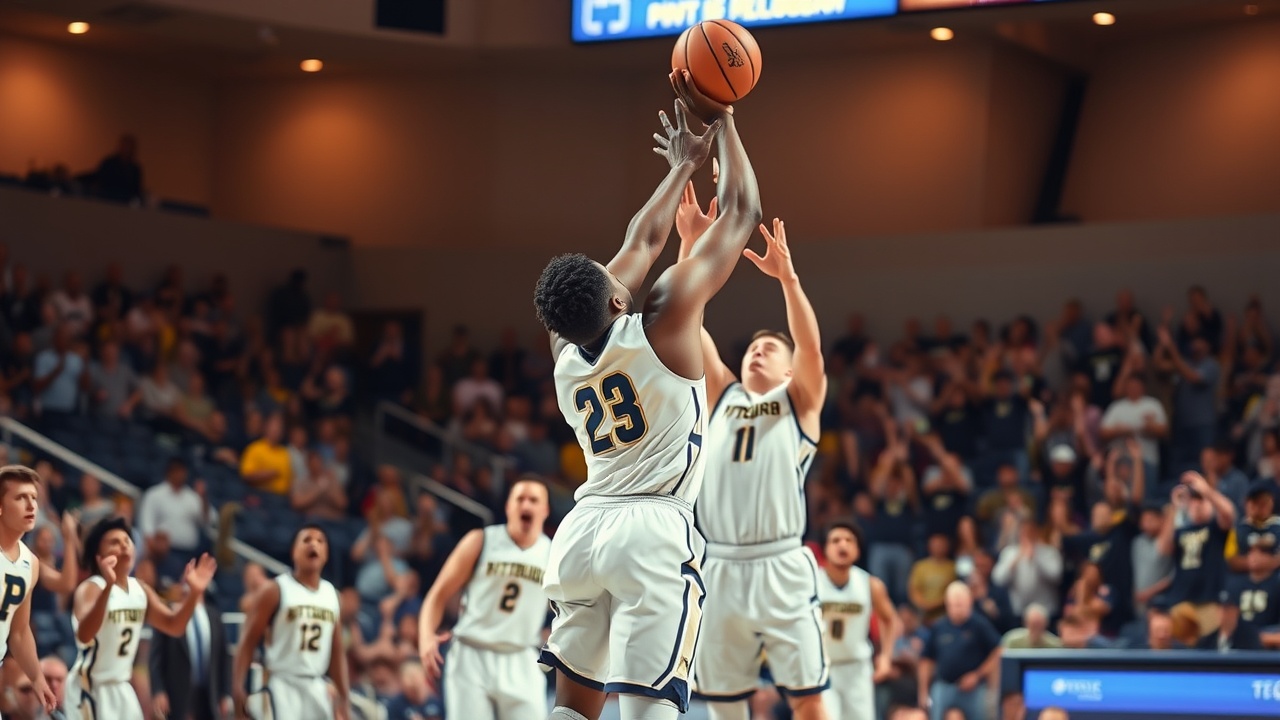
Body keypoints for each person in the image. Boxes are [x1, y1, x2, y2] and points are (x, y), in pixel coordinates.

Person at [532, 69, 758, 720]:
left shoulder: (563, 351)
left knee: (572, 709)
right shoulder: (664, 318)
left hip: (582, 532)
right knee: (646, 705)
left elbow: (642, 241)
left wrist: (681, 167)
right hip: (652, 528)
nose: (619, 271)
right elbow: (740, 214)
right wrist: (723, 117)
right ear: (613, 299)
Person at [677, 203, 829, 716]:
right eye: (751, 348)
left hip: (781, 562)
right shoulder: (722, 394)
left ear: (789, 371)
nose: (756, 351)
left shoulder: (799, 399)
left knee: (808, 701)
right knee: (724, 704)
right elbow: (684, 318)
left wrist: (788, 279)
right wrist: (691, 247)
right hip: (719, 564)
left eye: (769, 348)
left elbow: (811, 350)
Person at [417, 479, 552, 719]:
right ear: (508, 507)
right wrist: (426, 636)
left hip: (522, 656)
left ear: (545, 510)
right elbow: (437, 594)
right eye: (520, 499)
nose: (526, 505)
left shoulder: (554, 553)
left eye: (533, 500)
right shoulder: (481, 540)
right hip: (472, 654)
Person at [66, 518, 216, 720]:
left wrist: (194, 594)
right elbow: (84, 635)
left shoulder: (140, 590)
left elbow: (174, 626)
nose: (124, 546)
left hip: (121, 686)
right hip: (90, 687)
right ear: (99, 556)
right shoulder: (91, 588)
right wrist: (109, 587)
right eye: (114, 542)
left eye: (127, 541)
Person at [233, 525, 349, 720]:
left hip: (316, 683)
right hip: (281, 682)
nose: (314, 544)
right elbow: (247, 641)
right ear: (294, 551)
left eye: (320, 541)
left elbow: (337, 652)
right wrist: (237, 686)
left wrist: (344, 696)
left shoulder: (333, 595)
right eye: (306, 540)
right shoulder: (275, 589)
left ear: (326, 554)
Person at [818, 521, 901, 720]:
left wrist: (886, 656)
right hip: (822, 667)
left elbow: (891, 620)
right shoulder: (812, 583)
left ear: (858, 550)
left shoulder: (870, 584)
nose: (842, 545)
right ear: (825, 548)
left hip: (857, 668)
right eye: (836, 540)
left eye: (849, 540)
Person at [0, 466, 58, 714]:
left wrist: (36, 677)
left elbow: (20, 632)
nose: (31, 505)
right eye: (20, 497)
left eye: (34, 497)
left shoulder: (31, 563)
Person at [1158, 472, 1235, 637]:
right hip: (1181, 600)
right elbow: (1163, 548)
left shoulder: (1215, 528)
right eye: (1193, 500)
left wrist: (1207, 491)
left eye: (1201, 499)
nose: (1197, 504)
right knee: (1180, 647)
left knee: (1207, 647)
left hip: (1209, 600)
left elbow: (1229, 513)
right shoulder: (1181, 531)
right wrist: (1174, 508)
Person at [918, 582, 1002, 720]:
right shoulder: (939, 627)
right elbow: (926, 660)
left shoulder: (979, 625)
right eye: (954, 604)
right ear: (947, 605)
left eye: (960, 604)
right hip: (944, 686)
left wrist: (978, 675)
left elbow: (998, 650)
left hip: (974, 689)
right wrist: (923, 691)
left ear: (970, 602)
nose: (957, 609)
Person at [150, 587, 231, 720]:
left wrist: (225, 693)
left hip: (209, 693)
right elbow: (156, 658)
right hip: (177, 692)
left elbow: (224, 658)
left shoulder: (214, 616)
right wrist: (158, 690)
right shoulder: (170, 614)